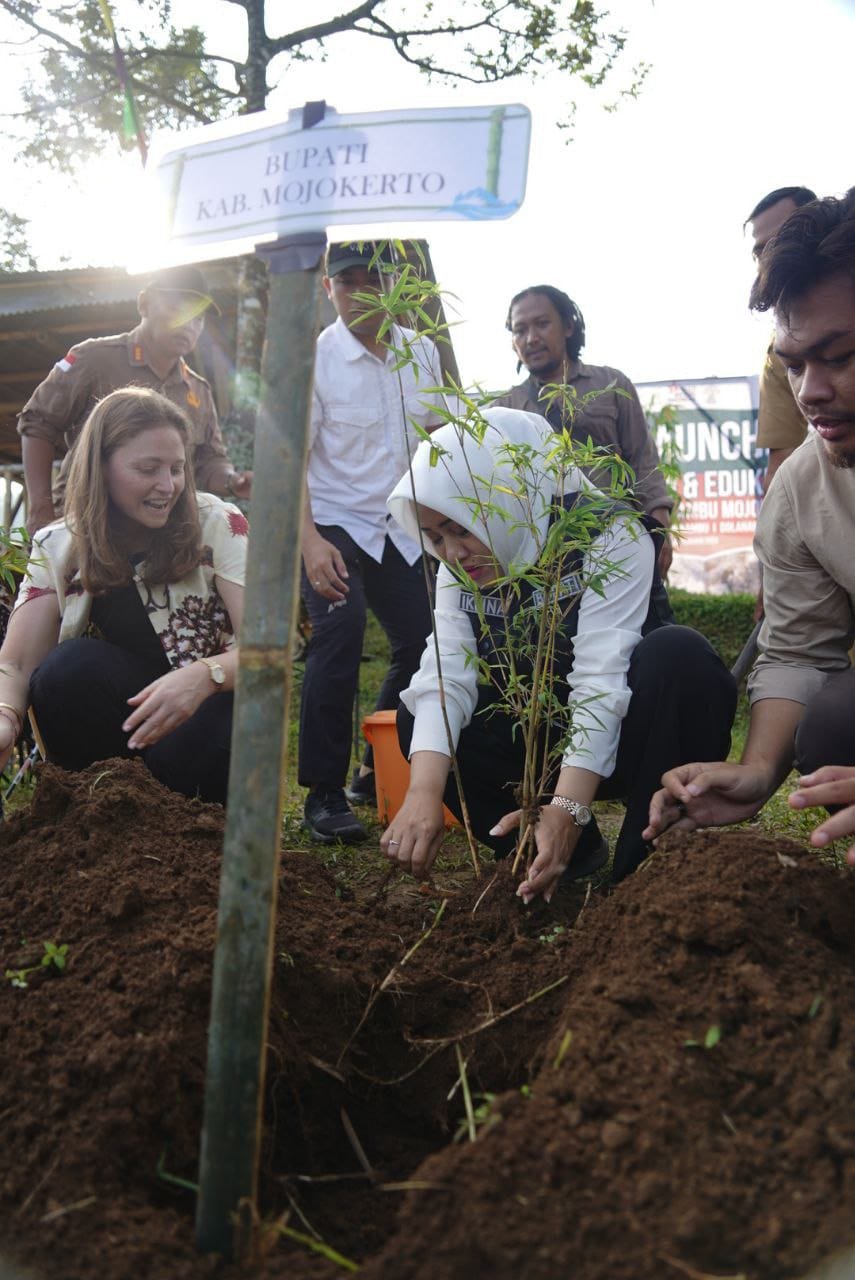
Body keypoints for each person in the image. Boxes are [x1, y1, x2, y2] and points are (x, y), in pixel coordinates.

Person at [380, 408, 736, 900]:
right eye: (436, 537)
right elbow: (447, 674)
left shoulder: (609, 535)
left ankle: (646, 868)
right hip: (538, 741)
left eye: (460, 528)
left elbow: (600, 680)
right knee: (417, 717)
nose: (452, 553)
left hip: (632, 734)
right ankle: (545, 856)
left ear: (507, 493)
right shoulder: (457, 570)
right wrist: (421, 792)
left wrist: (570, 805)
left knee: (680, 655)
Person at [645, 188, 855, 848]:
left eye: (840, 357)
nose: (810, 393)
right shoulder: (801, 490)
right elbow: (798, 646)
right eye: (793, 365)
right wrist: (758, 770)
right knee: (831, 730)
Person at [0, 386, 247, 805]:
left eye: (176, 468)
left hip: (212, 714)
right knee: (67, 669)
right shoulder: (58, 544)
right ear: (102, 467)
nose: (167, 485)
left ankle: (189, 826)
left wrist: (204, 677)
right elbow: (17, 663)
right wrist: (5, 716)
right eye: (148, 469)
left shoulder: (218, 523)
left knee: (198, 744)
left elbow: (270, 651)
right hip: (123, 723)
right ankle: (98, 811)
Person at [299, 241, 444, 844]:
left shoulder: (421, 352)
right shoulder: (314, 362)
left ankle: (371, 766)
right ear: (328, 290)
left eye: (374, 281)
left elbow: (437, 441)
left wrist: (446, 527)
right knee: (341, 627)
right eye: (348, 282)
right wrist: (307, 543)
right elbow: (291, 463)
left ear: (396, 286)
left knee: (424, 640)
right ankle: (323, 792)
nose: (362, 293)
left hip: (400, 521)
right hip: (332, 519)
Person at [18, 265, 252, 536]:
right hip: (85, 524)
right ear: (145, 304)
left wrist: (233, 481)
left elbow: (210, 460)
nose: (188, 324)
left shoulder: (197, 389)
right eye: (178, 310)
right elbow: (38, 424)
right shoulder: (94, 359)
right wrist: (40, 508)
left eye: (198, 318)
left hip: (160, 534)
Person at [491, 285, 674, 581]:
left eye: (542, 324)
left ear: (568, 326)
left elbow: (642, 459)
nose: (531, 338)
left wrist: (659, 524)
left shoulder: (611, 384)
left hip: (617, 539)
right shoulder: (504, 408)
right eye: (519, 330)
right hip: (545, 558)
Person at [746, 187, 817, 495]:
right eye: (760, 250)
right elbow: (782, 456)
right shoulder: (778, 354)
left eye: (781, 239)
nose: (770, 257)